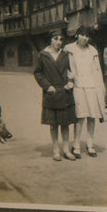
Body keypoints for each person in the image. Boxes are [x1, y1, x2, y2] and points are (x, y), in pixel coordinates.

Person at [32, 30, 76, 161]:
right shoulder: (43, 55)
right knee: (54, 124)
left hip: (64, 92)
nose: (58, 42)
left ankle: (66, 149)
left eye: (61, 39)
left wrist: (70, 82)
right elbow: (38, 73)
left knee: (65, 124)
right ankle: (56, 149)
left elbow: (71, 71)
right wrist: (47, 86)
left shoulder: (65, 55)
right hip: (51, 93)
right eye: (55, 39)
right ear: (50, 39)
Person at [65, 27, 105, 157]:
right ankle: (76, 145)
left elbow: (97, 71)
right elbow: (65, 67)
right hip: (77, 86)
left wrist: (101, 89)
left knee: (92, 116)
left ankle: (90, 144)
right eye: (82, 35)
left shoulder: (92, 51)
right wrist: (69, 77)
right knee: (80, 116)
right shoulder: (69, 49)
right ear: (77, 35)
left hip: (92, 86)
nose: (84, 38)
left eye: (87, 36)